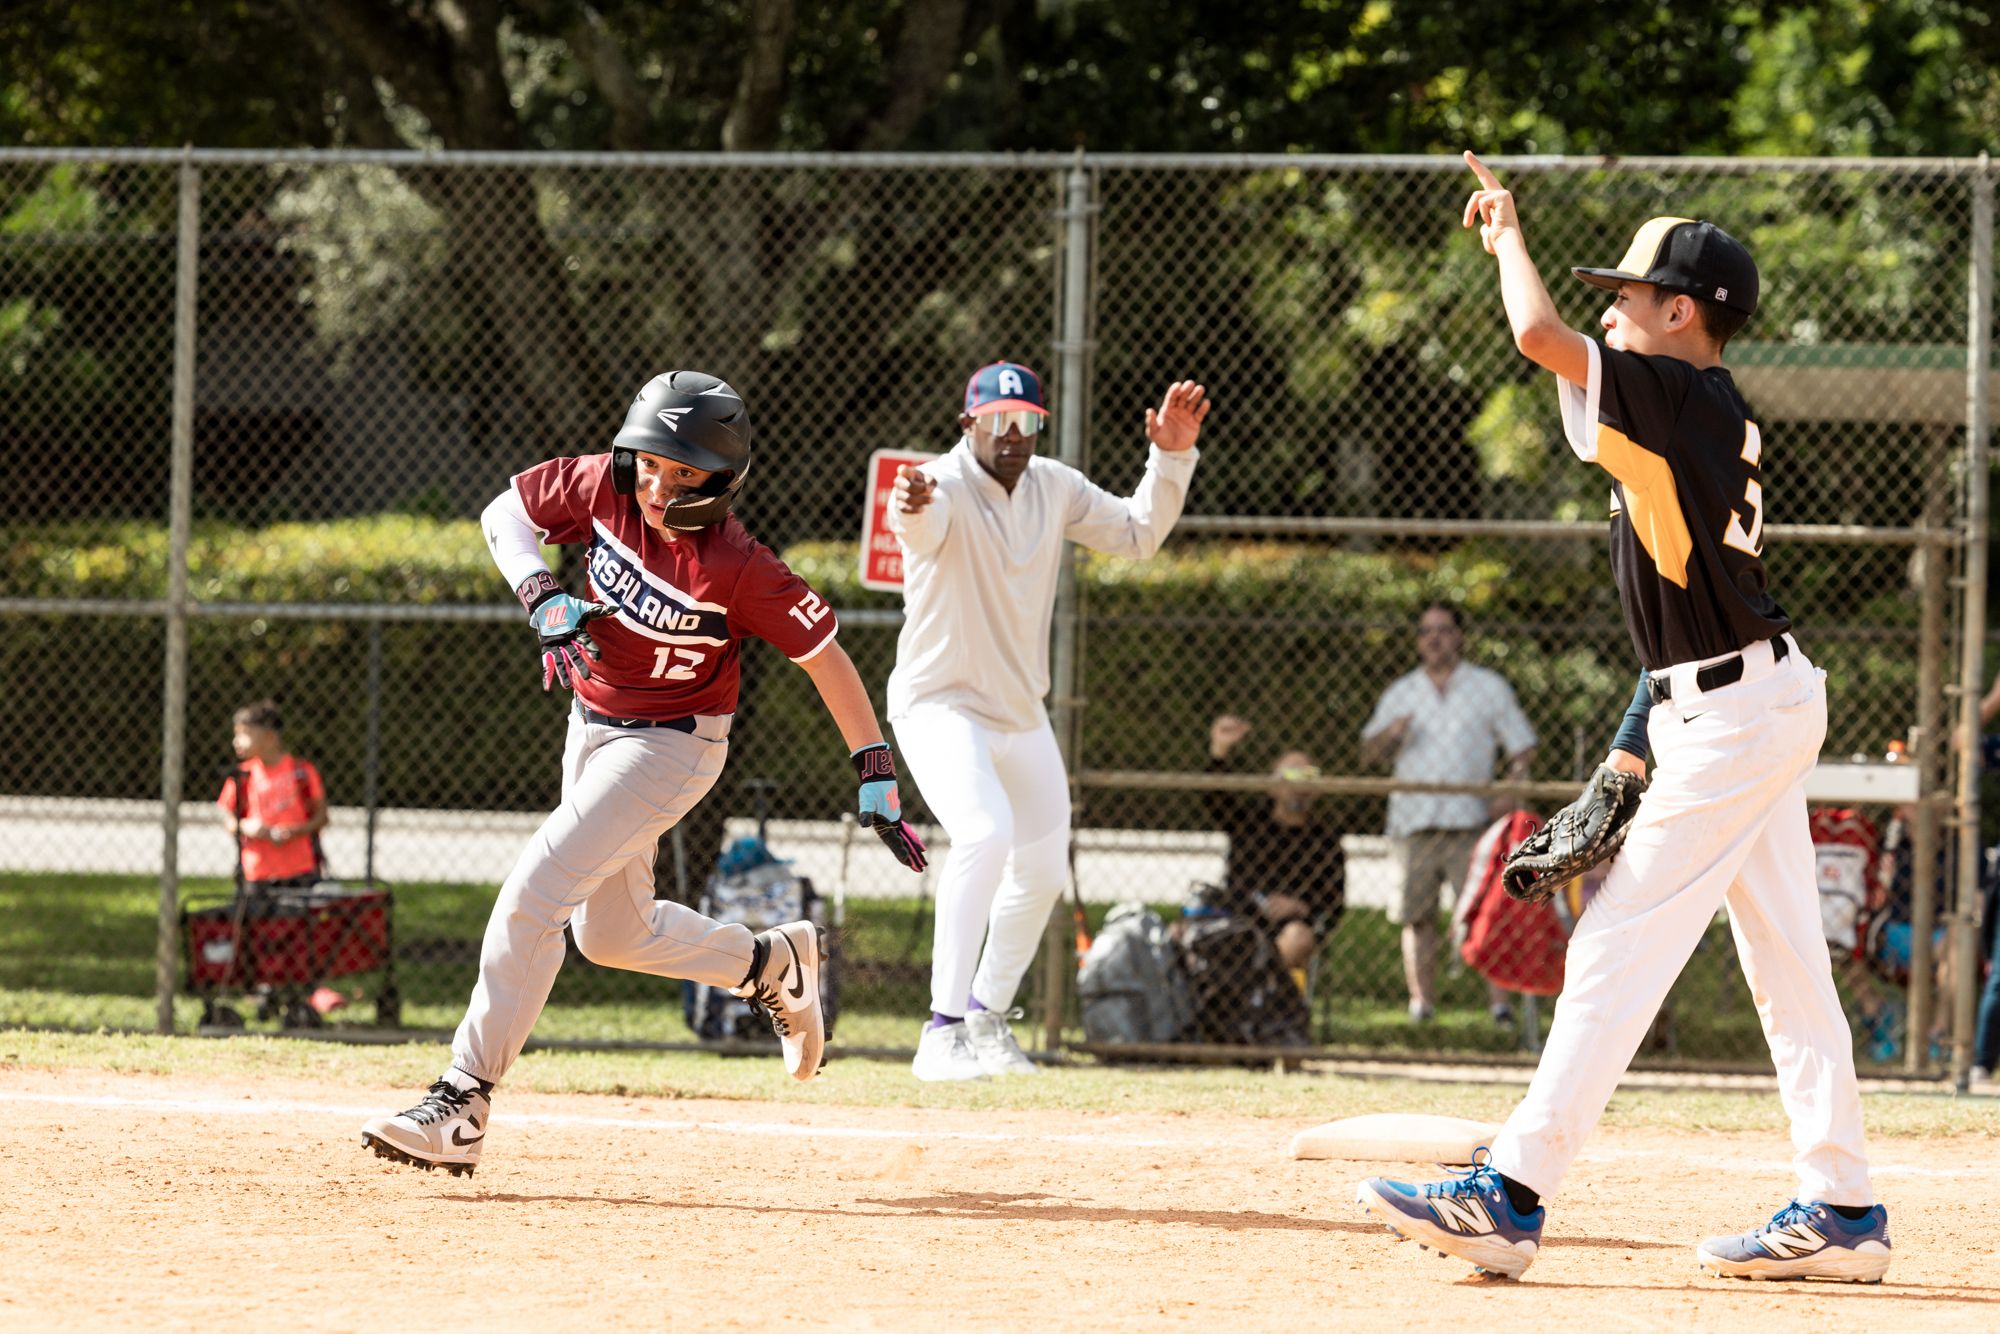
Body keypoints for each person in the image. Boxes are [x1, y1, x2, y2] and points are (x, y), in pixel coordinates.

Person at [1356, 156, 1889, 1283]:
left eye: (1631, 295)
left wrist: (1503, 230)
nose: (1612, 308)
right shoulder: (1685, 413)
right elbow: (1678, 622)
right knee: (1788, 964)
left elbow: (1537, 335)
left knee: (1613, 937)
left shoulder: (1677, 393)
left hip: (1740, 709)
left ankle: (1509, 1190)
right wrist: (1628, 744)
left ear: (1680, 312)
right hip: (1742, 694)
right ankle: (1841, 1203)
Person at [361, 370, 925, 1176]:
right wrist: (540, 592)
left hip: (673, 744)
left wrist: (875, 769)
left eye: (682, 470)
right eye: (650, 461)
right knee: (613, 934)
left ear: (722, 481)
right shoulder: (604, 484)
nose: (658, 482)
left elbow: (823, 657)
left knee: (536, 892)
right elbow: (504, 516)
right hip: (591, 723)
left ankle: (463, 1101)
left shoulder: (737, 565)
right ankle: (770, 963)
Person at [887, 360, 1208, 1080]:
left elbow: (1138, 533)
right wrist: (910, 503)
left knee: (1040, 864)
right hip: (939, 702)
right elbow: (919, 523)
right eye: (998, 422)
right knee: (983, 833)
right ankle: (939, 1034)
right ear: (969, 424)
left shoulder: (1054, 486)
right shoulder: (936, 482)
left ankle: (985, 1016)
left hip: (1018, 709)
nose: (1014, 435)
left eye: (1027, 422)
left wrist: (1172, 454)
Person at [1359, 601, 1535, 1024]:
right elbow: (1368, 753)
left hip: (1470, 822)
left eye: (1443, 629)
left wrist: (1509, 791)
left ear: (1459, 636)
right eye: (1426, 631)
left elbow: (1523, 747)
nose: (1434, 638)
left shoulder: (1488, 687)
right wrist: (1390, 734)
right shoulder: (1401, 692)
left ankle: (1499, 1007)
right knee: (1417, 918)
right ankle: (1421, 1005)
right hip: (1415, 821)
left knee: (1482, 913)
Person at [1203, 714, 1346, 982]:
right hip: (1239, 917)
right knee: (1185, 933)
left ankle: (1262, 1001)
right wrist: (1219, 750)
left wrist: (1300, 907)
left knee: (1296, 939)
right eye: (1291, 774)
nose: (1299, 783)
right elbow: (1215, 797)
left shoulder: (1325, 839)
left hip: (1290, 925)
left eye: (1308, 775)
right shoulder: (1248, 823)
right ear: (1272, 785)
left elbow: (1334, 903)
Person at [215, 698, 327, 894]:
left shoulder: (302, 771)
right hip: (256, 873)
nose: (236, 742)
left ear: (269, 737)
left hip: (300, 871)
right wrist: (245, 827)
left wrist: (294, 831)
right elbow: (226, 817)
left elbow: (322, 817)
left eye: (244, 734)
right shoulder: (242, 775)